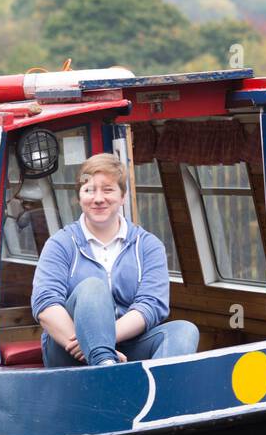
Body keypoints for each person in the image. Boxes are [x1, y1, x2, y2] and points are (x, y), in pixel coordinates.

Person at [30, 152, 199, 367]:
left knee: (185, 331)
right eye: (89, 190)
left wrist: (101, 341)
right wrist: (91, 346)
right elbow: (45, 304)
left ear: (123, 196)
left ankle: (157, 394)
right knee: (92, 287)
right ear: (79, 196)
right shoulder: (60, 244)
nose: (98, 198)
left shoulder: (148, 246)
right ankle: (106, 368)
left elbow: (151, 305)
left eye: (108, 189)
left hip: (128, 345)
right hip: (68, 347)